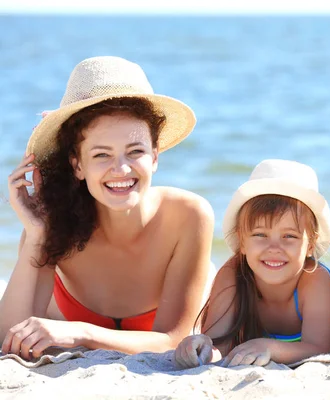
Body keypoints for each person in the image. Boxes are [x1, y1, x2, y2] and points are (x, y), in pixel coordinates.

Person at [0, 56, 215, 359]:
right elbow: (11, 338)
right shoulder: (55, 222)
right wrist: (36, 234)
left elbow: (173, 340)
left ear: (155, 156)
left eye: (135, 151)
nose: (121, 169)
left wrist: (80, 332)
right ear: (77, 164)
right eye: (102, 155)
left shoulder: (188, 215)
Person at [174, 159, 330, 368]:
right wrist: (199, 347)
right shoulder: (233, 274)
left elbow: (318, 347)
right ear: (242, 240)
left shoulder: (314, 278)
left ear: (311, 245)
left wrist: (269, 347)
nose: (274, 248)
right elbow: (218, 345)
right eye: (260, 234)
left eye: (289, 236)